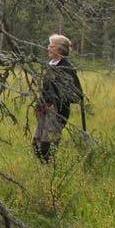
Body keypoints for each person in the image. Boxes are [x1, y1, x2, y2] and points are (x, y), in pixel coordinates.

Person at [33, 34, 83, 162]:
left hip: (58, 113)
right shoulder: (51, 64)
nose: (48, 48)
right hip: (44, 111)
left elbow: (77, 95)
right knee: (36, 145)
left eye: (51, 46)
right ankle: (43, 172)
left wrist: (56, 102)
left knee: (47, 146)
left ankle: (49, 173)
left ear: (60, 49)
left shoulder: (67, 68)